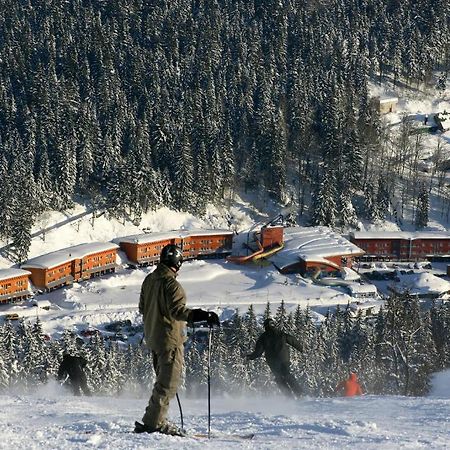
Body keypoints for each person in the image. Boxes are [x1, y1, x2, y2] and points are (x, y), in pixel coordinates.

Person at [135, 244, 220, 437]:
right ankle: (154, 423)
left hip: (154, 339)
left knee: (162, 382)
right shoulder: (172, 284)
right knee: (168, 384)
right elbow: (178, 311)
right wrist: (202, 315)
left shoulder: (148, 280)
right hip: (169, 341)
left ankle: (154, 419)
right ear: (178, 262)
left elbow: (142, 307)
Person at [246, 318, 303, 398]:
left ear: (265, 326)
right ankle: (299, 393)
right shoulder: (281, 334)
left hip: (273, 361)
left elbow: (258, 352)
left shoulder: (263, 337)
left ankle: (289, 396)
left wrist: (249, 357)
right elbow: (293, 340)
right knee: (287, 374)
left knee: (279, 378)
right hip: (284, 358)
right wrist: (302, 349)